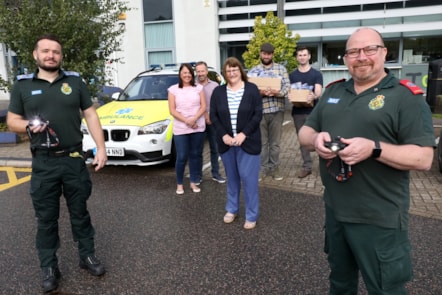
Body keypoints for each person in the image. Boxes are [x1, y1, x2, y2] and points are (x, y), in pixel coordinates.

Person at [298, 27, 435, 294]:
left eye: (369, 49)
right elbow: (304, 131)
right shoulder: (333, 91)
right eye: (353, 52)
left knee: (385, 289)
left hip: (379, 218)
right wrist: (315, 140)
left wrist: (374, 149)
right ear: (346, 58)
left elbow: (424, 157)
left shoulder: (405, 97)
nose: (361, 57)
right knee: (340, 282)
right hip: (336, 211)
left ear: (384, 52)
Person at [7, 34, 107, 293]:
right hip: (44, 163)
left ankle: (87, 256)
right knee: (46, 219)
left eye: (56, 52)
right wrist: (29, 125)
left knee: (80, 213)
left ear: (61, 56)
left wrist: (102, 148)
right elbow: (12, 121)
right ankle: (49, 266)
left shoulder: (74, 82)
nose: (51, 55)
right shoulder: (22, 86)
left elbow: (90, 114)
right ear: (35, 55)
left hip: (73, 160)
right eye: (46, 51)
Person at [210, 57, 262, 230]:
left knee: (249, 179)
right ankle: (232, 209)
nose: (232, 73)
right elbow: (214, 116)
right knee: (232, 178)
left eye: (235, 69)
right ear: (225, 74)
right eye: (228, 70)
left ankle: (251, 214)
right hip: (227, 143)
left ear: (241, 71)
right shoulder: (218, 92)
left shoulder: (252, 89)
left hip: (248, 142)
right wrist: (224, 134)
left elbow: (257, 114)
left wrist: (244, 134)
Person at [249, 43, 290, 181]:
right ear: (260, 53)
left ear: (272, 54)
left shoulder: (281, 69)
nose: (266, 56)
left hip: (277, 110)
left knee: (275, 143)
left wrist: (277, 92)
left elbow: (287, 87)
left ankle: (274, 168)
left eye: (269, 54)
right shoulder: (253, 71)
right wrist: (259, 92)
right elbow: (248, 91)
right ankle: (262, 169)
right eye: (264, 53)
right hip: (260, 111)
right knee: (262, 143)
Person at [168, 63, 206, 195]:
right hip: (181, 128)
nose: (187, 75)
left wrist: (194, 119)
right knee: (182, 156)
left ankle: (193, 181)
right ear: (180, 74)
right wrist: (187, 121)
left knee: (195, 155)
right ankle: (179, 183)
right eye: (184, 72)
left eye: (189, 72)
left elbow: (203, 106)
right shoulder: (173, 90)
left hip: (197, 127)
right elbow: (172, 110)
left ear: (192, 74)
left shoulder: (199, 88)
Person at [288, 47, 323, 178]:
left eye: (304, 55)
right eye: (299, 55)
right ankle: (307, 166)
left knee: (319, 138)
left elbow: (318, 92)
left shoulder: (316, 74)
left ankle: (324, 166)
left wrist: (313, 95)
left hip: (313, 112)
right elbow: (290, 91)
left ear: (309, 57)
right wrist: (290, 96)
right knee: (303, 140)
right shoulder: (292, 75)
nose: (302, 57)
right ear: (297, 58)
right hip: (298, 112)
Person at [195, 61, 226, 184]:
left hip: (213, 121)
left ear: (207, 71)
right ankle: (197, 176)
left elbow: (219, 104)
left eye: (202, 71)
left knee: (215, 149)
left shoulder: (214, 85)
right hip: (198, 122)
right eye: (198, 71)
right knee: (198, 150)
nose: (201, 73)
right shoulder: (193, 86)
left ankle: (216, 173)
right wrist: (204, 115)